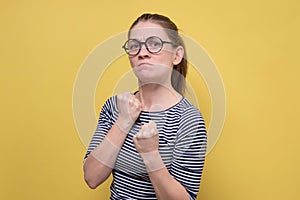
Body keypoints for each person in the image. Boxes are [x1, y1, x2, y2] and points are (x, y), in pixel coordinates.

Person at [83, 13, 207, 200]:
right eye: (134, 46)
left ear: (176, 55)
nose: (142, 52)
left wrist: (150, 154)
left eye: (155, 44)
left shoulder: (189, 120)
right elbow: (91, 177)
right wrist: (124, 121)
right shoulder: (114, 107)